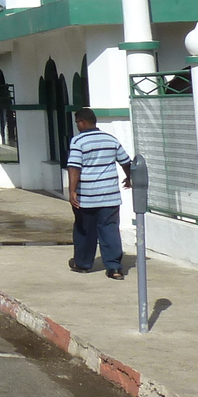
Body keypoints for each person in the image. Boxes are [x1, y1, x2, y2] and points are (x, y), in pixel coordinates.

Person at [65, 107, 133, 280]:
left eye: (77, 122)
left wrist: (72, 191)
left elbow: (74, 167)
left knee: (84, 230)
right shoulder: (111, 139)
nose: (77, 126)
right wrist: (129, 177)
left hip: (86, 197)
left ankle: (82, 263)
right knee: (110, 229)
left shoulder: (78, 141)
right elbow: (125, 161)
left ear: (82, 122)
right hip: (110, 196)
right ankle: (114, 268)